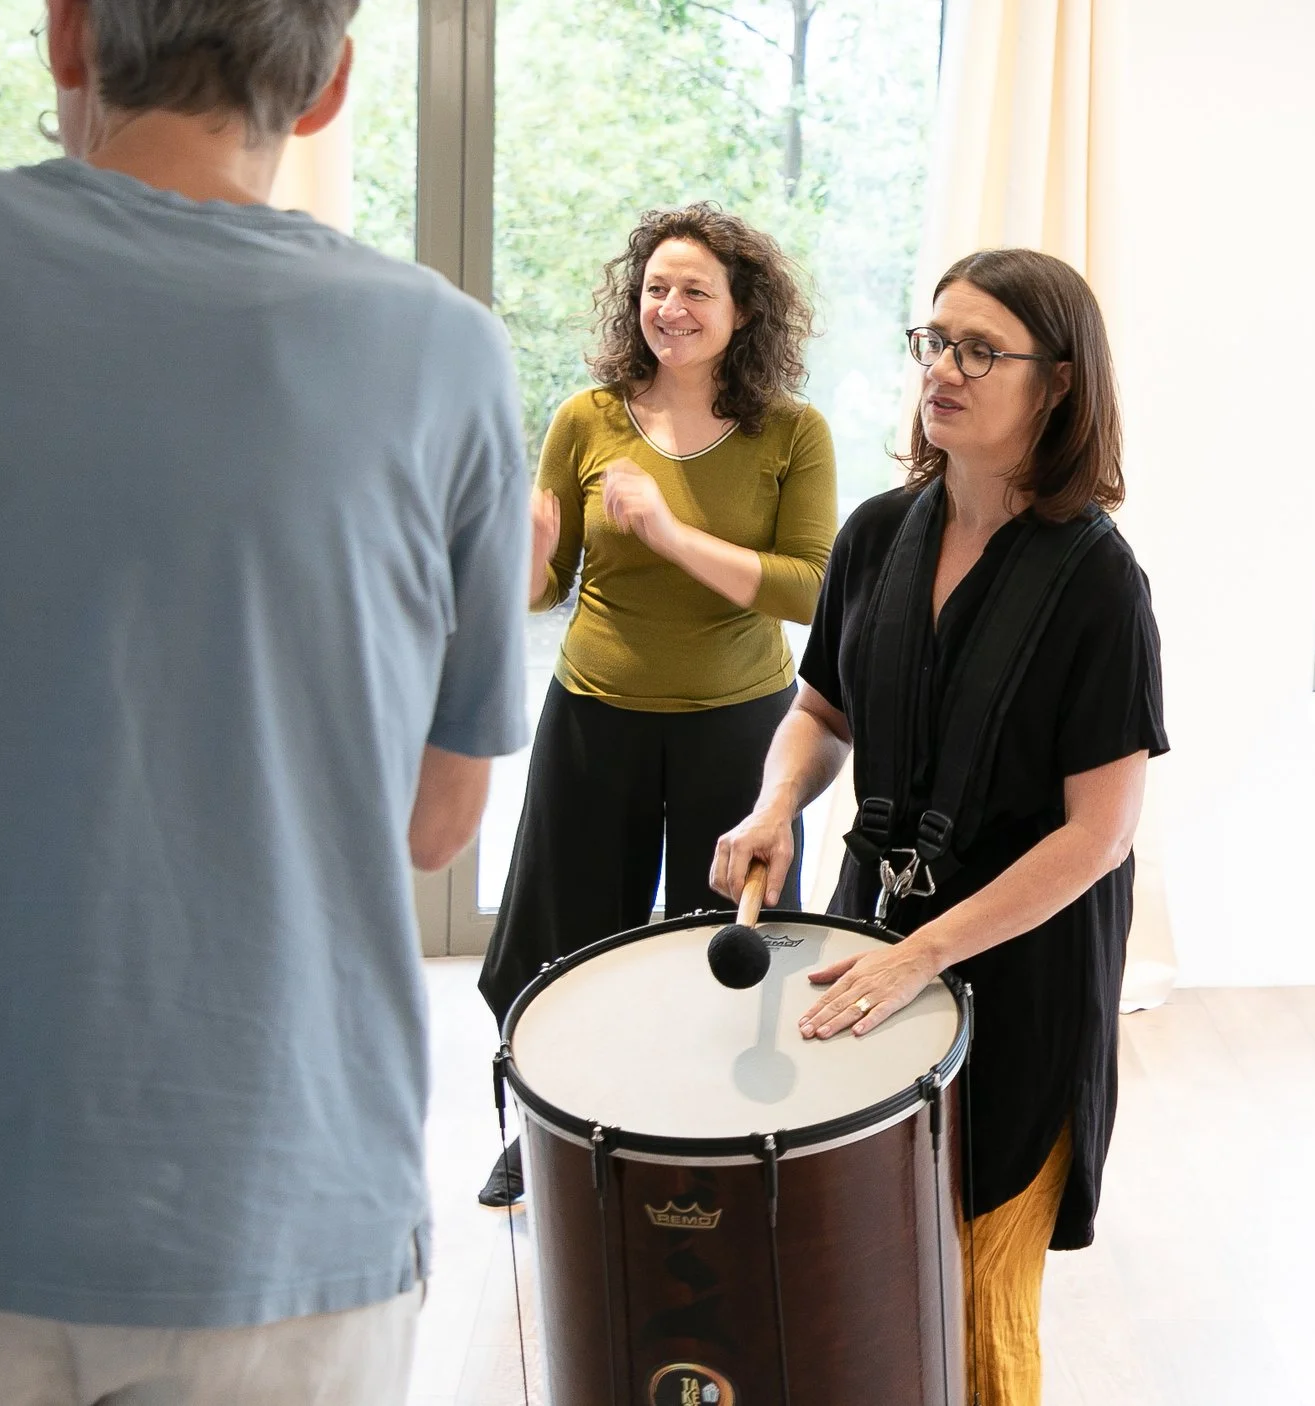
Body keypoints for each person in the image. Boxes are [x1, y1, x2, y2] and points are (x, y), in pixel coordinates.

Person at [0, 0, 529, 1398]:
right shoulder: (445, 351)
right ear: (329, 84)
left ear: (68, 35)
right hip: (283, 1201)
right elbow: (438, 823)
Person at [710, 247, 1166, 1406]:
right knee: (859, 1262)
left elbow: (1099, 833)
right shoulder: (876, 533)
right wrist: (776, 802)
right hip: (872, 939)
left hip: (1021, 970)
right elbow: (821, 709)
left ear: (1057, 382)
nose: (943, 369)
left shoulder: (1100, 583)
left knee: (975, 1293)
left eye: (979, 350)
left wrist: (922, 954)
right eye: (934, 341)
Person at [474, 204, 835, 1208]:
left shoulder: (792, 432)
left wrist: (671, 534)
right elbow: (542, 590)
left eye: (694, 291)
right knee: (564, 935)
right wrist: (527, 557)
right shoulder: (586, 418)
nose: (669, 308)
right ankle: (547, 1127)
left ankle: (710, 1133)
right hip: (596, 715)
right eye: (654, 289)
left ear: (743, 309)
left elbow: (811, 588)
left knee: (725, 942)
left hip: (740, 725)